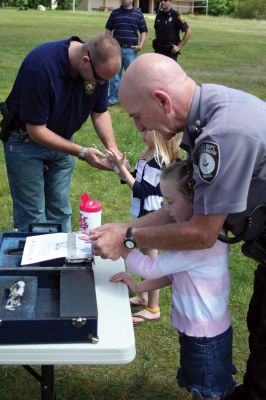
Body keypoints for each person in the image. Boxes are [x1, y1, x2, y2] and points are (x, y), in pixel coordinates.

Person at [87, 53, 266, 400]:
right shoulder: (207, 112)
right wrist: (127, 227)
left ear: (162, 101)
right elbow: (187, 205)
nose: (139, 129)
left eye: (139, 118)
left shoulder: (221, 133)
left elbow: (201, 232)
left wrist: (128, 237)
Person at [111, 159, 235, 400]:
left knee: (208, 390)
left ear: (194, 200)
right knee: (206, 385)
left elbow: (149, 267)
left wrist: (123, 245)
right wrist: (140, 287)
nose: (166, 210)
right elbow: (173, 275)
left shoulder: (193, 248)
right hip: (209, 331)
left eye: (170, 202)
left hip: (203, 338)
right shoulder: (214, 235)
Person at [1, 35, 121, 233]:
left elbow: (99, 111)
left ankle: (60, 262)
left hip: (64, 141)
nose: (102, 85)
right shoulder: (41, 67)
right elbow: (36, 130)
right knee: (32, 217)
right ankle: (36, 263)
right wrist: (82, 152)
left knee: (61, 211)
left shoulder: (98, 70)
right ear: (85, 60)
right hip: (25, 142)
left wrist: (112, 148)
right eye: (100, 79)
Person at [105, 130, 180, 324]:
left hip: (151, 217)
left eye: (147, 129)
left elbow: (142, 190)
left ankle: (153, 308)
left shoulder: (159, 161)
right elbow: (132, 179)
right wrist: (118, 167)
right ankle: (143, 297)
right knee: (146, 259)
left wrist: (122, 169)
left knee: (151, 264)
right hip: (142, 215)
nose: (141, 131)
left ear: (159, 136)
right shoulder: (147, 155)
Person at [105, 0, 147, 106]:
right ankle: (113, 98)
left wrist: (141, 45)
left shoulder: (138, 14)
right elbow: (108, 30)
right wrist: (109, 44)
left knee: (132, 76)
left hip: (131, 51)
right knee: (115, 76)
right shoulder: (115, 13)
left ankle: (133, 99)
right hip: (116, 50)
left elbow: (143, 31)